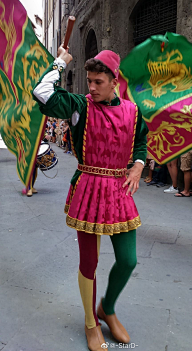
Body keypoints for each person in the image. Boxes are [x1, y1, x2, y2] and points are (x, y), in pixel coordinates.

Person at [32, 46, 148, 351]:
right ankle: (90, 322)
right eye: (89, 81)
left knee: (128, 260)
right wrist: (60, 63)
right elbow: (42, 93)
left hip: (120, 191)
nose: (92, 88)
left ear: (114, 81)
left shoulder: (133, 112)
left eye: (98, 82)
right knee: (90, 261)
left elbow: (140, 143)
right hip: (88, 189)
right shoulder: (78, 106)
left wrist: (137, 166)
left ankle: (106, 308)